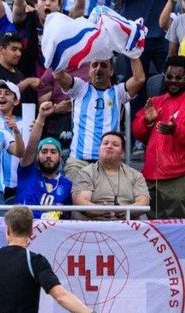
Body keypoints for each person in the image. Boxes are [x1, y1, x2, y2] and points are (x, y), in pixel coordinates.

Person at [53, 57, 144, 174]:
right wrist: (63, 50)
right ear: (89, 71)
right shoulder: (79, 88)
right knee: (81, 192)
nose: (98, 68)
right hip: (79, 162)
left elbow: (139, 79)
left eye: (103, 65)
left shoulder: (118, 92)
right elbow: (58, 76)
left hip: (108, 162)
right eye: (94, 65)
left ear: (111, 71)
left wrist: (133, 54)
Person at [132, 56, 185, 219]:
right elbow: (137, 132)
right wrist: (147, 121)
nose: (173, 81)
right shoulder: (155, 101)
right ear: (164, 76)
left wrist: (175, 130)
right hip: (150, 176)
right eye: (169, 77)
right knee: (156, 235)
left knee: (178, 233)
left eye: (179, 78)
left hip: (178, 177)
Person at [71, 131, 150, 220]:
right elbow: (81, 201)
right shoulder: (85, 173)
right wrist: (102, 210)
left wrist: (127, 211)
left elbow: (143, 202)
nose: (109, 146)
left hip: (127, 221)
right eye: (105, 143)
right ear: (99, 150)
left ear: (122, 153)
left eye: (115, 144)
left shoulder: (136, 175)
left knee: (143, 217)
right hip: (94, 221)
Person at [15, 103, 73, 218]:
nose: (48, 155)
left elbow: (67, 218)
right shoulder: (27, 172)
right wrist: (41, 117)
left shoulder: (67, 184)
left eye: (53, 152)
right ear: (37, 156)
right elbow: (31, 147)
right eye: (44, 151)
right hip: (24, 228)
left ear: (60, 156)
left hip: (52, 233)